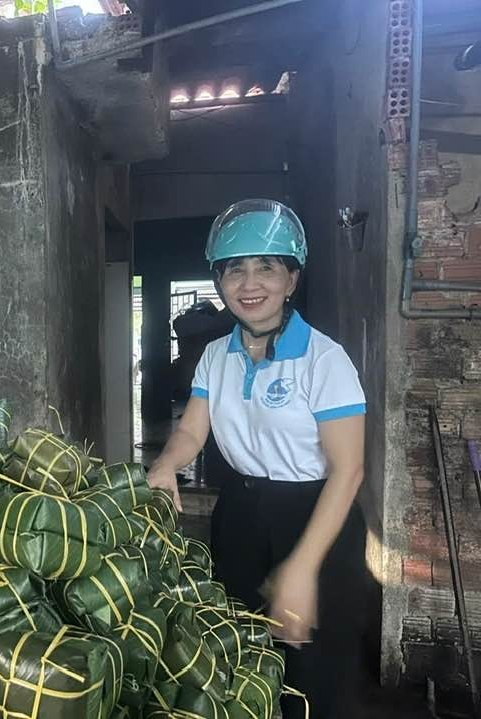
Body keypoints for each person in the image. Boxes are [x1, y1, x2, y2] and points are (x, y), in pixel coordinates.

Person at [147, 199, 367, 719]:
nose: (249, 283)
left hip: (317, 519)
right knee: (241, 663)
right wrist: (164, 465)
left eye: (266, 267)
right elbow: (192, 429)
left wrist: (302, 568)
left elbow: (349, 470)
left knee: (310, 682)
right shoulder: (217, 356)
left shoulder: (324, 360)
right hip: (240, 517)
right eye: (234, 269)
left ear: (291, 279)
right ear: (220, 282)